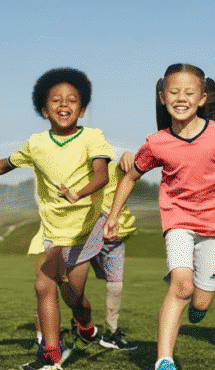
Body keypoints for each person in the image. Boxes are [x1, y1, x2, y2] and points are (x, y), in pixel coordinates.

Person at [0, 68, 112, 370]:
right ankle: (51, 357)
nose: (64, 105)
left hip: (85, 229)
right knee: (43, 286)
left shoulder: (93, 137)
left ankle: (85, 324)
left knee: (74, 298)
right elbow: (3, 165)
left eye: (72, 100)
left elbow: (101, 175)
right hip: (52, 231)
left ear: (81, 109)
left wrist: (78, 193)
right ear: (43, 108)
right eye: (56, 100)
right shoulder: (36, 144)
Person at [105, 64, 215, 370]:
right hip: (178, 220)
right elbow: (130, 176)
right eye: (173, 92)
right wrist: (114, 215)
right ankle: (163, 362)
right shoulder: (157, 143)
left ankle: (187, 283)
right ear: (162, 97)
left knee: (200, 304)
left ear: (201, 99)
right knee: (182, 288)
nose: (180, 98)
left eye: (188, 93)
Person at [28, 152, 140, 355]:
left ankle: (111, 334)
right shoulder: (69, 175)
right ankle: (51, 336)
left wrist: (128, 155)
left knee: (116, 285)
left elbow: (140, 165)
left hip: (114, 233)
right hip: (81, 234)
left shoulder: (114, 168)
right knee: (59, 285)